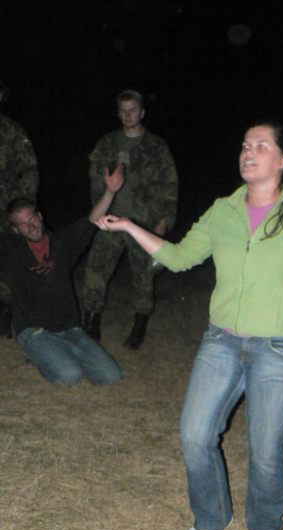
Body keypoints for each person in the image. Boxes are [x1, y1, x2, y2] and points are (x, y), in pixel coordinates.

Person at [96, 120, 283, 530]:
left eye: (261, 146)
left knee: (267, 446)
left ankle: (265, 523)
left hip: (280, 347)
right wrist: (130, 226)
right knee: (194, 433)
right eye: (245, 145)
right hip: (221, 341)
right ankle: (211, 516)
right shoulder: (223, 211)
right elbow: (181, 257)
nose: (248, 152)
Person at [0, 166, 124, 386]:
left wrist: (110, 192)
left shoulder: (62, 243)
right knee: (70, 375)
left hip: (70, 328)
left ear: (40, 216)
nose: (31, 226)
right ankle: (39, 355)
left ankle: (59, 353)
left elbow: (92, 221)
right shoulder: (9, 250)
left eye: (32, 218)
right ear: (16, 230)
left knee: (111, 375)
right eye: (23, 224)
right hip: (34, 330)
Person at [82, 89, 178, 349]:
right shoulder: (107, 144)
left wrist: (164, 221)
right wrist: (98, 210)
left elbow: (169, 186)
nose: (127, 115)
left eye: (132, 110)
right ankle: (91, 321)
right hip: (110, 220)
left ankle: (139, 324)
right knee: (96, 269)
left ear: (142, 112)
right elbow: (95, 180)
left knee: (143, 275)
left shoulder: (156, 147)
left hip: (144, 223)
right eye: (123, 111)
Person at [0, 78, 40, 337]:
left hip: (6, 207)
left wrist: (22, 209)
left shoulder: (12, 130)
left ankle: (7, 309)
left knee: (10, 258)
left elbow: (30, 169)